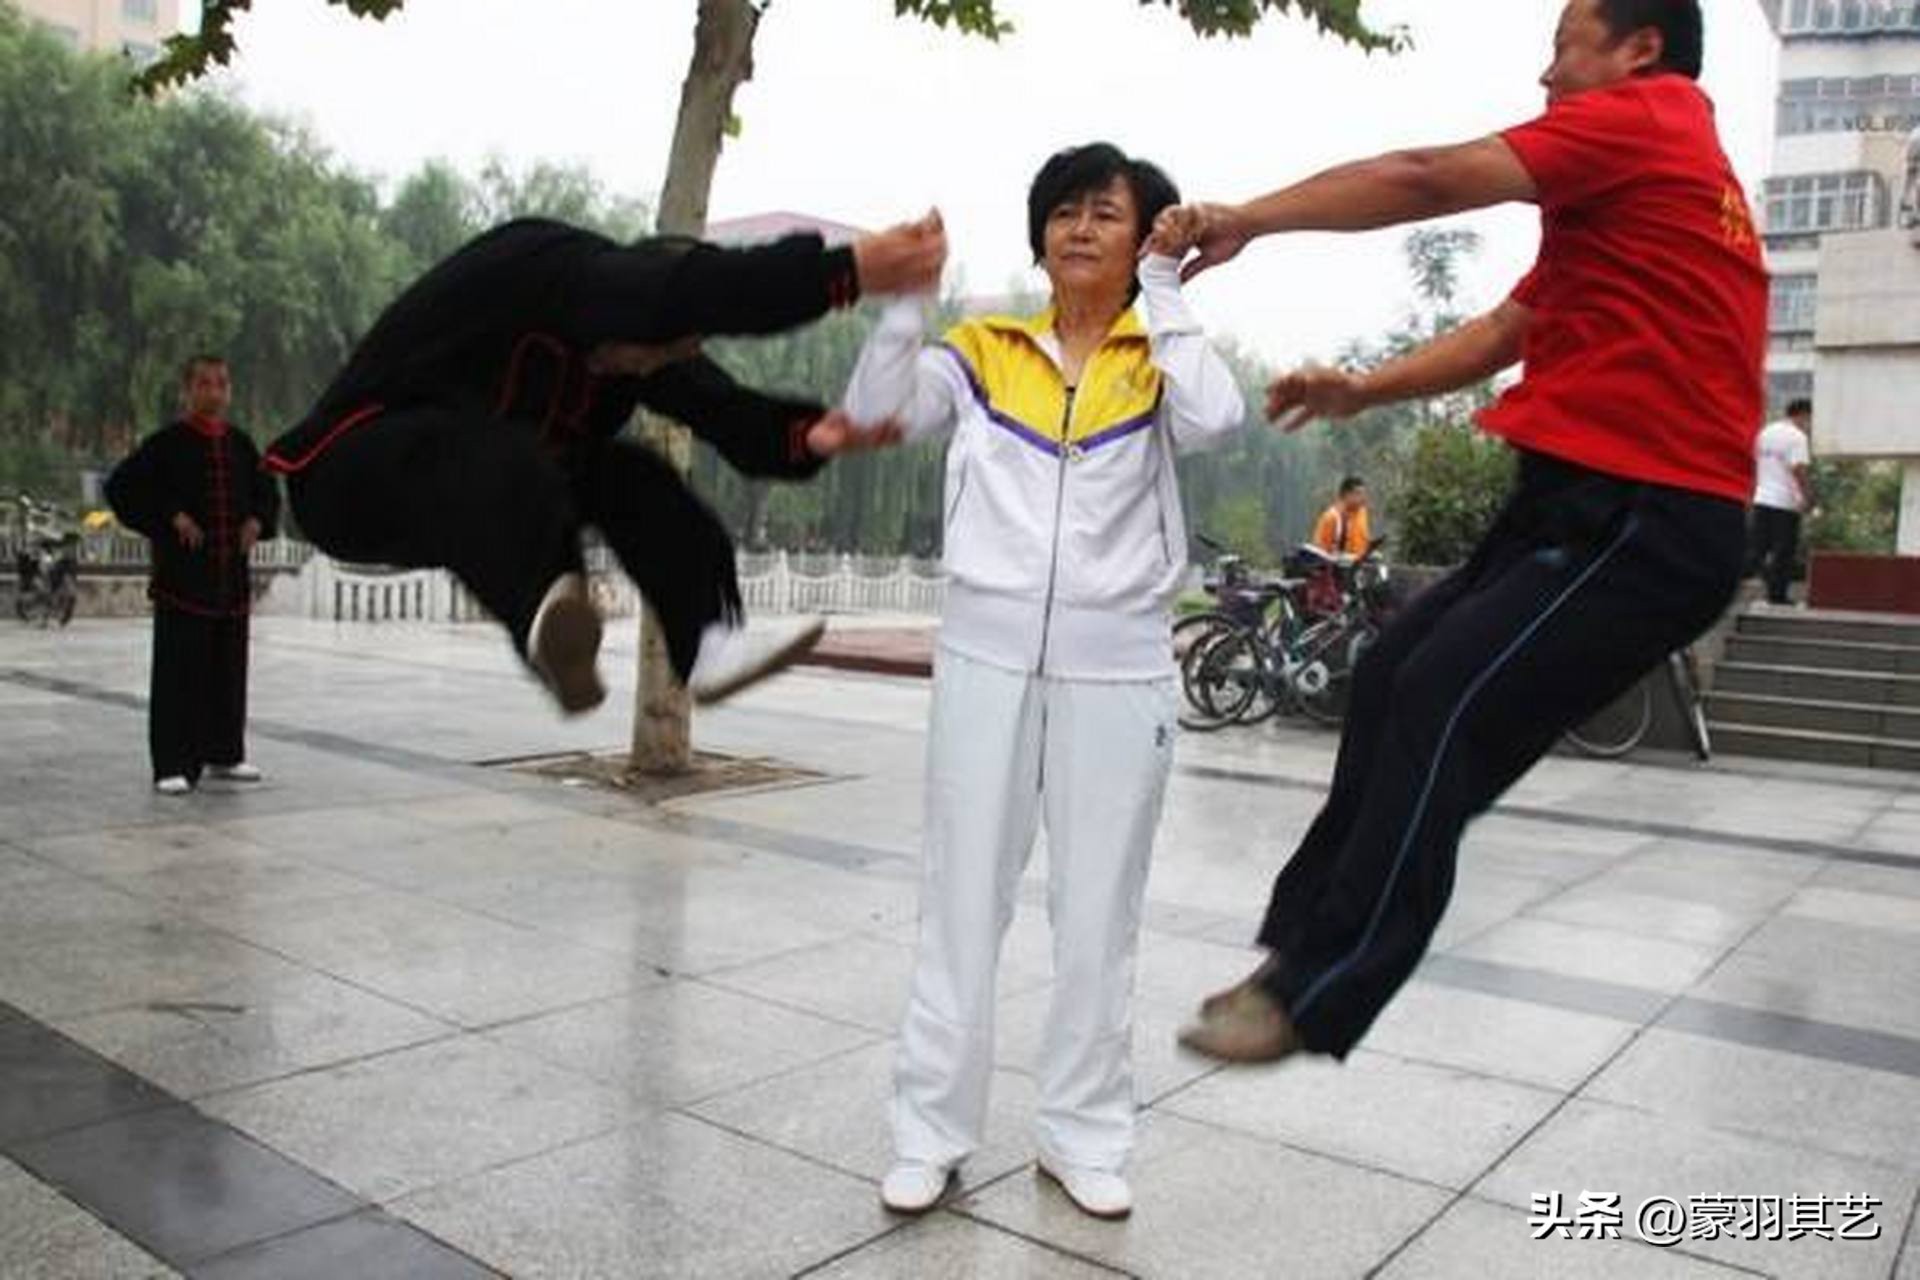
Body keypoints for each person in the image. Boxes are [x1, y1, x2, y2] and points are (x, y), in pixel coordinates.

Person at [1167, 0, 1764, 1065]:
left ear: (1639, 49)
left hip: (1653, 516)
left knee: (1445, 696)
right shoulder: (1638, 188)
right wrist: (1363, 388)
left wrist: (1250, 215)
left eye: (1561, 49)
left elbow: (1426, 176)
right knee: (1395, 667)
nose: (1544, 79)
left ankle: (1318, 988)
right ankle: (1299, 949)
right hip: (1577, 500)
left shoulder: (1649, 121)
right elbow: (1507, 330)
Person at [843, 143, 1247, 1220]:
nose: (1079, 228)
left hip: (1117, 669)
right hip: (984, 656)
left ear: (1142, 238)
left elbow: (1218, 420)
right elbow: (882, 412)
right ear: (1039, 235)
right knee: (960, 902)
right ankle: (929, 1131)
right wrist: (901, 305)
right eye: (1063, 212)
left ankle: (1083, 1134)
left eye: (1106, 215)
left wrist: (1166, 291)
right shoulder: (983, 351)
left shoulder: (1155, 352)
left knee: (1095, 913)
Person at [265, 216, 943, 712]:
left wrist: (812, 435)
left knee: (634, 476)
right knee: (494, 452)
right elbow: (696, 289)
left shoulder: (645, 352)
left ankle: (706, 640)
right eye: (658, 347)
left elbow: (725, 410)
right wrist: (843, 272)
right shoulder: (553, 271)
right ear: (634, 307)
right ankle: (544, 613)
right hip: (350, 474)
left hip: (481, 499)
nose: (657, 364)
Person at [106, 355, 281, 795]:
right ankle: (172, 762)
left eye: (222, 384)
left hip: (230, 583)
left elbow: (266, 495)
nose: (214, 392)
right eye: (204, 384)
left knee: (227, 672)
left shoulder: (241, 444)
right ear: (188, 390)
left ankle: (224, 754)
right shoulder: (166, 444)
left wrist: (257, 522)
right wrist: (170, 517)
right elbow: (122, 488)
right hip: (183, 583)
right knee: (177, 676)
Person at [1748, 398, 1812, 606]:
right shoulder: (1797, 437)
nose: (1809, 424)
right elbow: (1798, 468)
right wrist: (1807, 495)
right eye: (1809, 419)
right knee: (1784, 551)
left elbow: (1755, 463)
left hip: (1762, 498)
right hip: (1785, 502)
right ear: (1803, 414)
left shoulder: (1765, 433)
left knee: (1759, 549)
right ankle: (1778, 596)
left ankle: (1753, 585)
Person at [1311, 476, 1372, 558]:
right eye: (1358, 493)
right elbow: (1320, 551)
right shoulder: (1331, 517)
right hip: (1340, 567)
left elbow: (1364, 540)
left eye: (1363, 494)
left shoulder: (1362, 512)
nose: (1363, 498)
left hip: (1361, 565)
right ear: (1347, 494)